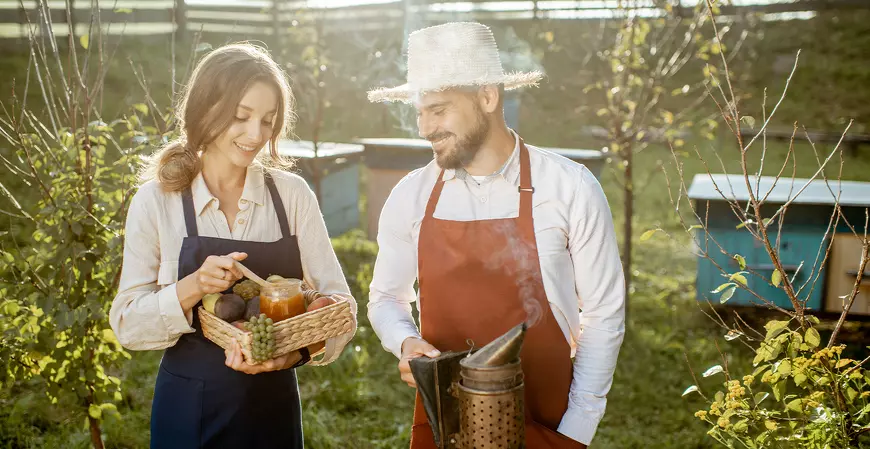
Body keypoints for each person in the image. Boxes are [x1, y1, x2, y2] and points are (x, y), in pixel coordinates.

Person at [366, 22, 625, 448]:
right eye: (420, 110)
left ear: (487, 96)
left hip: (548, 421)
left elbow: (604, 314)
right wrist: (405, 340)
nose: (424, 128)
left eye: (439, 109)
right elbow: (386, 299)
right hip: (443, 423)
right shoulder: (410, 196)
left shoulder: (569, 187)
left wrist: (578, 426)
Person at [109, 43, 356, 449]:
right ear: (205, 111)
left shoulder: (290, 196)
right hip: (188, 411)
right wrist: (193, 286)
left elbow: (341, 310)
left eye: (268, 120)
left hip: (272, 410)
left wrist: (291, 356)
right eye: (241, 117)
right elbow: (128, 326)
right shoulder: (158, 201)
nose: (256, 134)